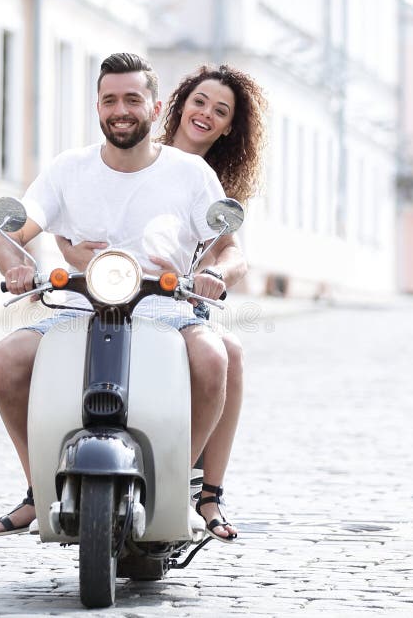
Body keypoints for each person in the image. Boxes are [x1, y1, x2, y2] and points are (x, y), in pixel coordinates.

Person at [0, 53, 238, 542]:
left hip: (164, 305)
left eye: (132, 99)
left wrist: (217, 274)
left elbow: (230, 249)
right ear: (98, 107)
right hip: (80, 303)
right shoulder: (68, 169)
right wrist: (15, 265)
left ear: (155, 105)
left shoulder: (189, 173)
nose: (120, 109)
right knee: (3, 360)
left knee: (212, 357)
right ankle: (39, 489)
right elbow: (9, 233)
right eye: (109, 100)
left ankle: (174, 487)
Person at [55, 64, 267, 537]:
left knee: (227, 353)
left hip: (179, 298)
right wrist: (73, 254)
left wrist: (211, 275)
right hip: (114, 289)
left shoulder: (212, 183)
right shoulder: (134, 152)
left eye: (220, 111)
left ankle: (204, 490)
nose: (206, 115)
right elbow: (76, 230)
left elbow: (231, 254)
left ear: (230, 125)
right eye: (199, 102)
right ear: (176, 104)